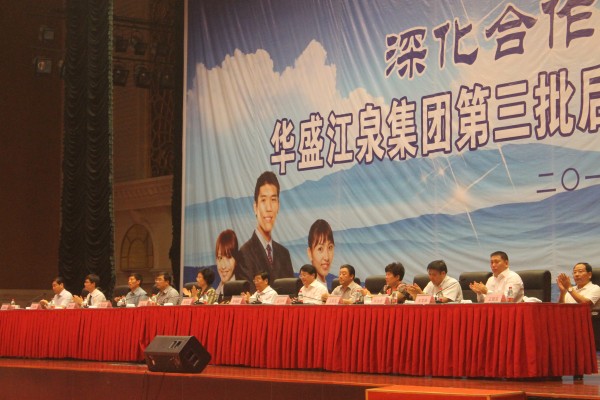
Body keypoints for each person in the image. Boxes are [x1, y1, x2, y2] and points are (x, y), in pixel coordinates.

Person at [239, 171, 293, 283]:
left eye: (273, 200)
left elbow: (291, 289)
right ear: (255, 207)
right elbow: (249, 291)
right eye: (263, 200)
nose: (269, 208)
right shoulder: (244, 253)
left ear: (278, 206)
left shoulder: (284, 254)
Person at [307, 219, 336, 288]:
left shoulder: (323, 285)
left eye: (330, 247)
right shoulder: (311, 287)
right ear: (310, 253)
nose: (326, 257)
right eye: (320, 249)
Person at [215, 229, 242, 297]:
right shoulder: (216, 292)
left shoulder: (241, 293)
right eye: (220, 258)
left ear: (236, 260)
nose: (223, 266)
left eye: (228, 257)